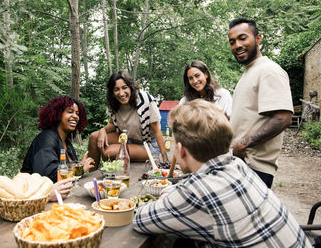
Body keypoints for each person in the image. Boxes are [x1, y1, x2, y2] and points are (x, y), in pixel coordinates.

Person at [133, 99, 311, 247]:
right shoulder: (237, 165)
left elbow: (140, 220)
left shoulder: (197, 192)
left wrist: (167, 193)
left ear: (181, 150)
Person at [228, 18, 293, 188]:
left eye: (243, 38)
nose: (237, 45)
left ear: (258, 39)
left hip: (255, 168)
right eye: (232, 41)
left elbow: (283, 117)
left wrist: (243, 143)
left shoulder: (268, 70)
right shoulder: (249, 72)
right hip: (240, 164)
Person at [88, 71, 168, 168]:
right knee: (94, 137)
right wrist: (102, 130)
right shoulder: (114, 102)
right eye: (116, 89)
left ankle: (110, 171)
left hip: (147, 145)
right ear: (112, 92)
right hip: (126, 138)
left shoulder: (145, 100)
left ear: (131, 87)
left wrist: (165, 160)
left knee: (109, 152)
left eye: (124, 87)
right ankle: (91, 176)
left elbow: (156, 132)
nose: (121, 93)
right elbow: (112, 125)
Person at [21, 95, 95, 187]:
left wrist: (79, 165)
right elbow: (46, 175)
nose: (75, 116)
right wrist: (80, 169)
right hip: (36, 196)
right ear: (58, 114)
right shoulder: (46, 138)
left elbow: (67, 171)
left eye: (77, 113)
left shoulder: (67, 143)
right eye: (70, 112)